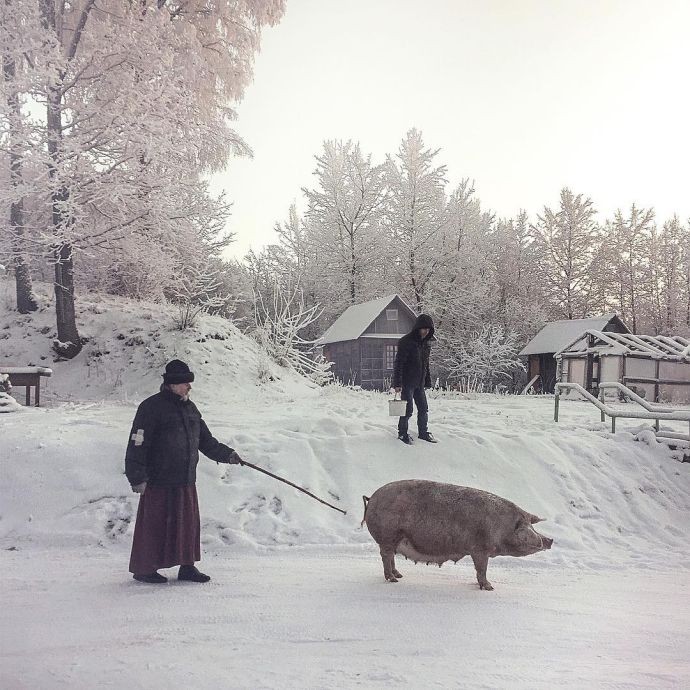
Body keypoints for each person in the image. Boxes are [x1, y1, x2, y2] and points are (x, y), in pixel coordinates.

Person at [125, 359, 243, 584]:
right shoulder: (151, 408)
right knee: (155, 526)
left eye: (189, 383)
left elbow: (206, 441)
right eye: (185, 383)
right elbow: (137, 443)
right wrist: (137, 476)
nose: (189, 387)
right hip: (158, 480)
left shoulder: (190, 408)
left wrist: (227, 455)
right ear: (172, 384)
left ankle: (187, 567)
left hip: (185, 479)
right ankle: (144, 568)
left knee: (187, 526)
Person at [391, 314, 438, 445]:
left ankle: (423, 432)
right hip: (407, 383)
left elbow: (425, 364)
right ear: (417, 328)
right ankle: (402, 433)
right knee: (407, 409)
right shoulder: (406, 341)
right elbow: (399, 363)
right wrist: (397, 383)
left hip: (419, 383)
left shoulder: (426, 344)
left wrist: (427, 381)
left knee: (423, 408)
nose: (426, 331)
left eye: (429, 329)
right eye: (424, 328)